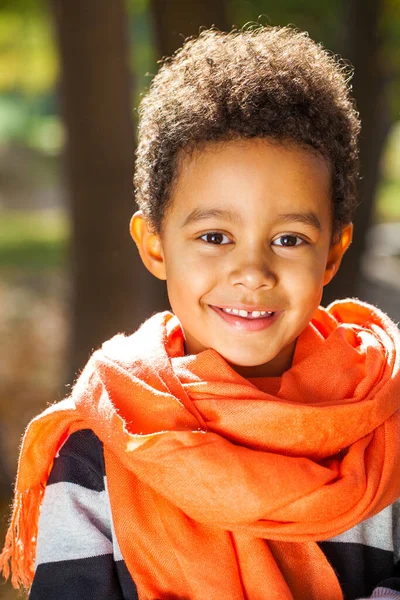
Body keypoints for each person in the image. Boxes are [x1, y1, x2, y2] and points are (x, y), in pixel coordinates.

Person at [1, 25, 400, 600]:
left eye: (288, 240)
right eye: (215, 236)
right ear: (155, 244)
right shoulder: (102, 450)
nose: (252, 272)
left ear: (334, 252)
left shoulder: (382, 432)